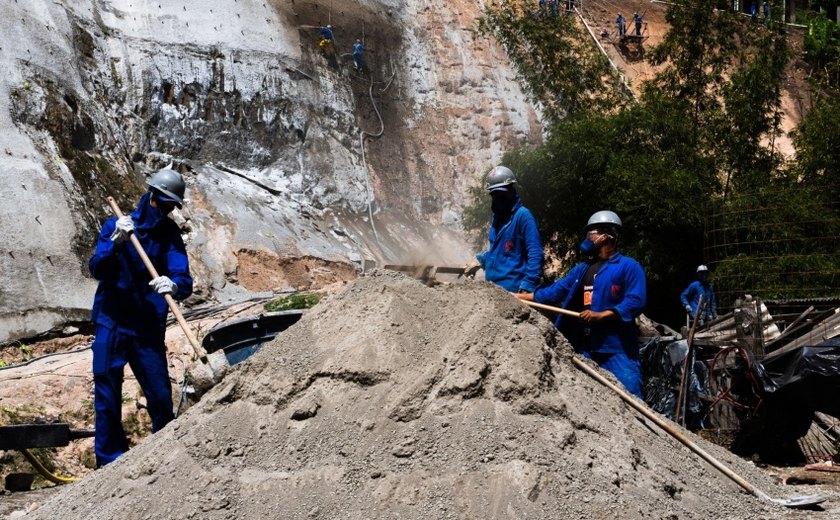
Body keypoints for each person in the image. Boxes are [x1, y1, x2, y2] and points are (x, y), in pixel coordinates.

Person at [88, 167, 194, 467]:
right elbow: (96, 268)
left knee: (160, 396)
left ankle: (163, 461)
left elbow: (182, 278)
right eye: (163, 204)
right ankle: (109, 461)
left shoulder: (169, 235)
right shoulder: (116, 226)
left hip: (147, 328)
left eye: (172, 206)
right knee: (108, 394)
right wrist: (116, 243)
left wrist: (173, 285)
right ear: (151, 198)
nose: (166, 211)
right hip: (112, 322)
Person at [515, 211, 647, 397]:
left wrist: (603, 315)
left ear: (607, 235)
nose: (588, 237)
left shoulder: (628, 267)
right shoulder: (582, 270)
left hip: (618, 351)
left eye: (591, 232)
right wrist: (517, 296)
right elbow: (553, 293)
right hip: (585, 349)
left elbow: (635, 301)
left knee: (630, 398)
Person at [463, 166, 543, 294]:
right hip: (494, 291)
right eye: (495, 195)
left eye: (502, 194)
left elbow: (535, 253)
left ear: (511, 191)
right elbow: (498, 252)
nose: (499, 198)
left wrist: (528, 285)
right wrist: (480, 260)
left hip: (514, 291)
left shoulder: (523, 216)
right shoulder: (498, 219)